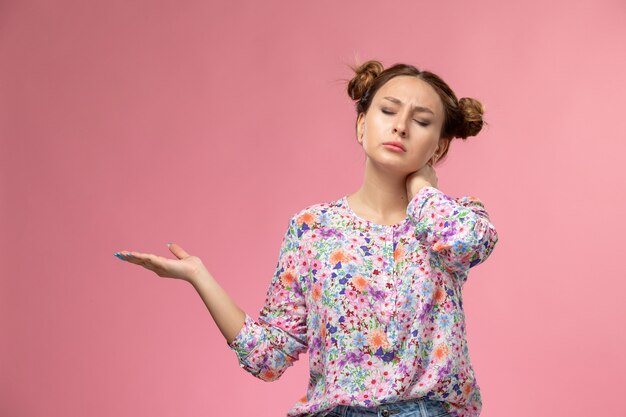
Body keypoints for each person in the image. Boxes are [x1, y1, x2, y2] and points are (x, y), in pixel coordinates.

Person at [114, 59, 499, 417]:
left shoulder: (452, 219)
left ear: (441, 145)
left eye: (422, 121)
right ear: (362, 124)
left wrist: (422, 189)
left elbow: (467, 243)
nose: (400, 126)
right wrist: (199, 276)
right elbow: (268, 357)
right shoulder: (313, 228)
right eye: (388, 111)